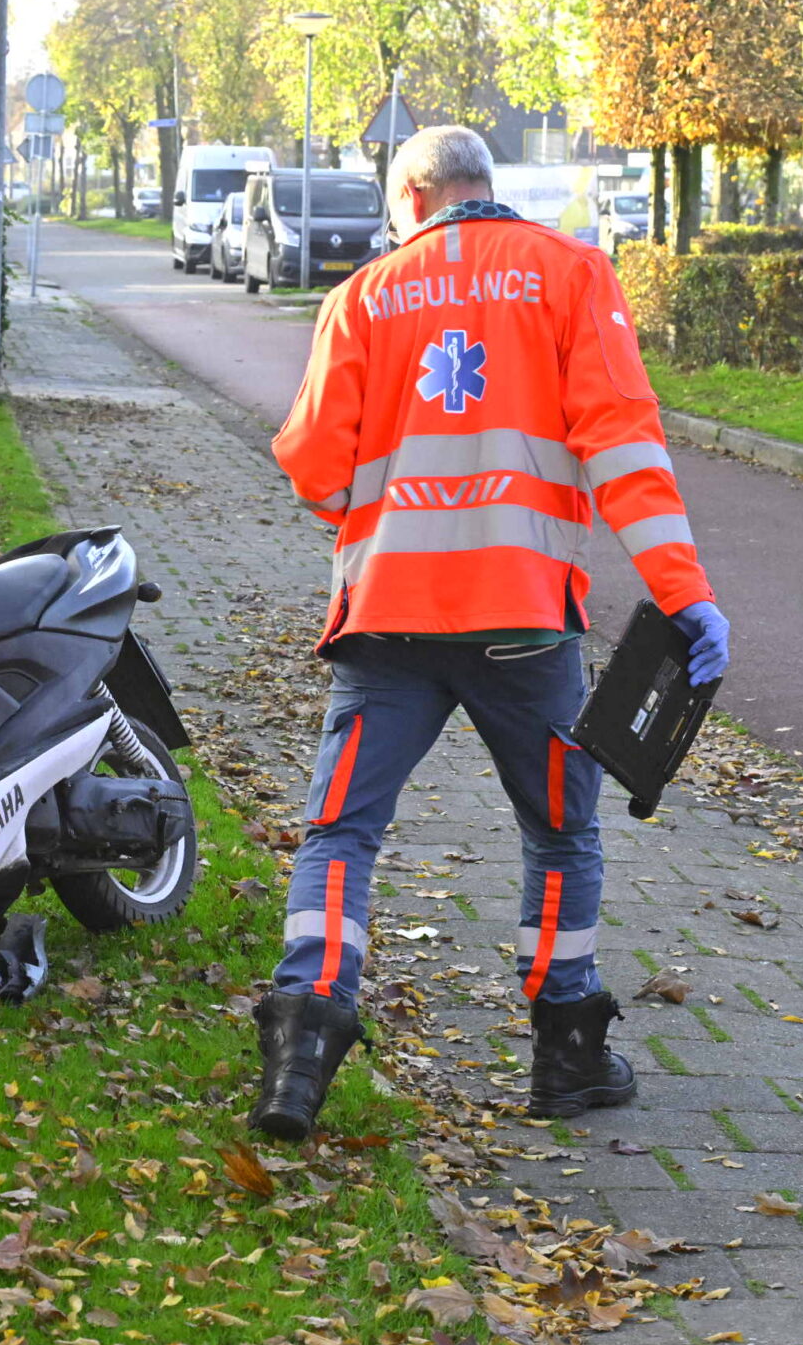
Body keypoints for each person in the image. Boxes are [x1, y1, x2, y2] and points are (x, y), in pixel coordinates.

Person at [247, 125, 731, 1141]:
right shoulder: (568, 273)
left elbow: (311, 463)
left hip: (388, 619)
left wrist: (376, 500)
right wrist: (681, 593)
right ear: (480, 186)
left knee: (341, 829)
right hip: (522, 623)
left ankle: (304, 1037)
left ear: (413, 199)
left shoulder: (366, 295)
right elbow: (621, 444)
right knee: (558, 830)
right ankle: (565, 1055)